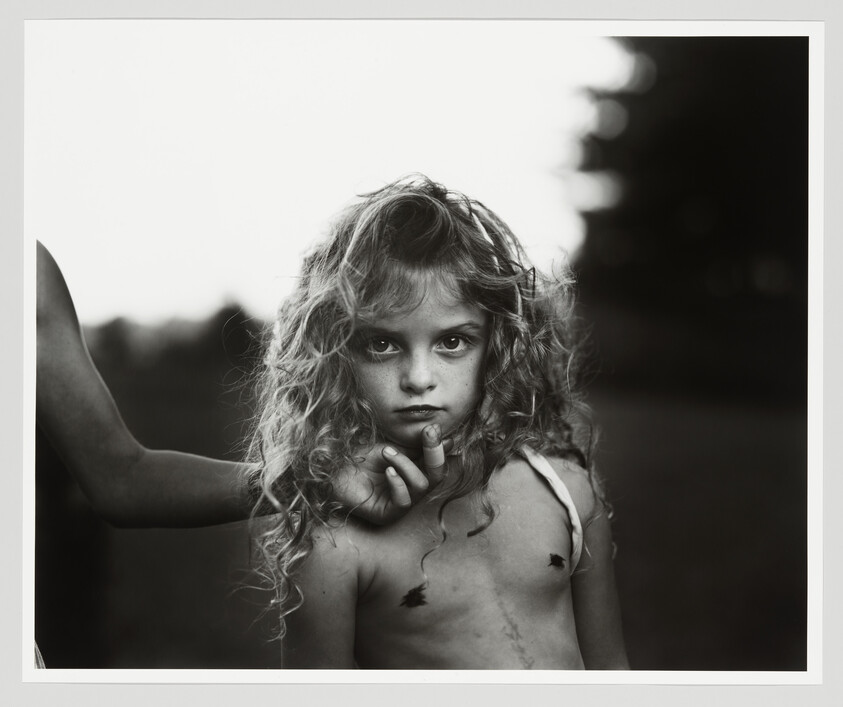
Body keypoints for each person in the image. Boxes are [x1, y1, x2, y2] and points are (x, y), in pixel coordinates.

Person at [244, 175, 628, 669]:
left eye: (452, 342)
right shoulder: (333, 545)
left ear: (498, 344)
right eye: (382, 344)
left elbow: (613, 678)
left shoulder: (566, 491)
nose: (419, 378)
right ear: (335, 354)